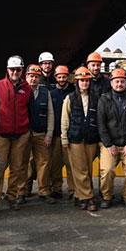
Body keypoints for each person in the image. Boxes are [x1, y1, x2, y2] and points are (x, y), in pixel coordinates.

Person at [0, 55, 33, 214]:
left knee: (17, 168)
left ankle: (11, 197)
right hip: (2, 134)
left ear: (22, 70)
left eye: (18, 70)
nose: (15, 73)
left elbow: (31, 110)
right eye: (12, 69)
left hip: (21, 134)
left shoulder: (27, 89)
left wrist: (29, 130)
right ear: (7, 70)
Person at [97, 67, 126, 208]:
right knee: (107, 170)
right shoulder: (104, 100)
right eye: (116, 81)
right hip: (109, 144)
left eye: (122, 81)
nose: (119, 84)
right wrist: (109, 145)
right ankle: (106, 196)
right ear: (111, 83)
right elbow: (101, 125)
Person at [61, 66, 100, 211]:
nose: (84, 83)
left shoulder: (96, 98)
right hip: (75, 138)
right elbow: (65, 119)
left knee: (88, 169)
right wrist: (64, 138)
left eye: (87, 80)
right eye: (82, 80)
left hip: (91, 138)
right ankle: (88, 197)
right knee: (80, 169)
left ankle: (79, 195)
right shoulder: (70, 98)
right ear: (77, 82)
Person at [25, 65, 57, 203]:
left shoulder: (45, 92)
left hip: (41, 133)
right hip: (25, 133)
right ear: (26, 77)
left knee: (44, 162)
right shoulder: (21, 91)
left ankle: (44, 190)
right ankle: (23, 190)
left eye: (36, 77)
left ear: (39, 78)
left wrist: (49, 133)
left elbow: (50, 114)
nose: (33, 79)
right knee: (25, 162)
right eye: (31, 76)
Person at [46, 65, 74, 200]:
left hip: (71, 134)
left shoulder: (74, 92)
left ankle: (73, 190)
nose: (62, 79)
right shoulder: (51, 94)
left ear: (68, 77)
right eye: (59, 77)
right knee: (55, 164)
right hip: (56, 133)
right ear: (55, 77)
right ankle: (56, 188)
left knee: (71, 164)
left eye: (64, 77)